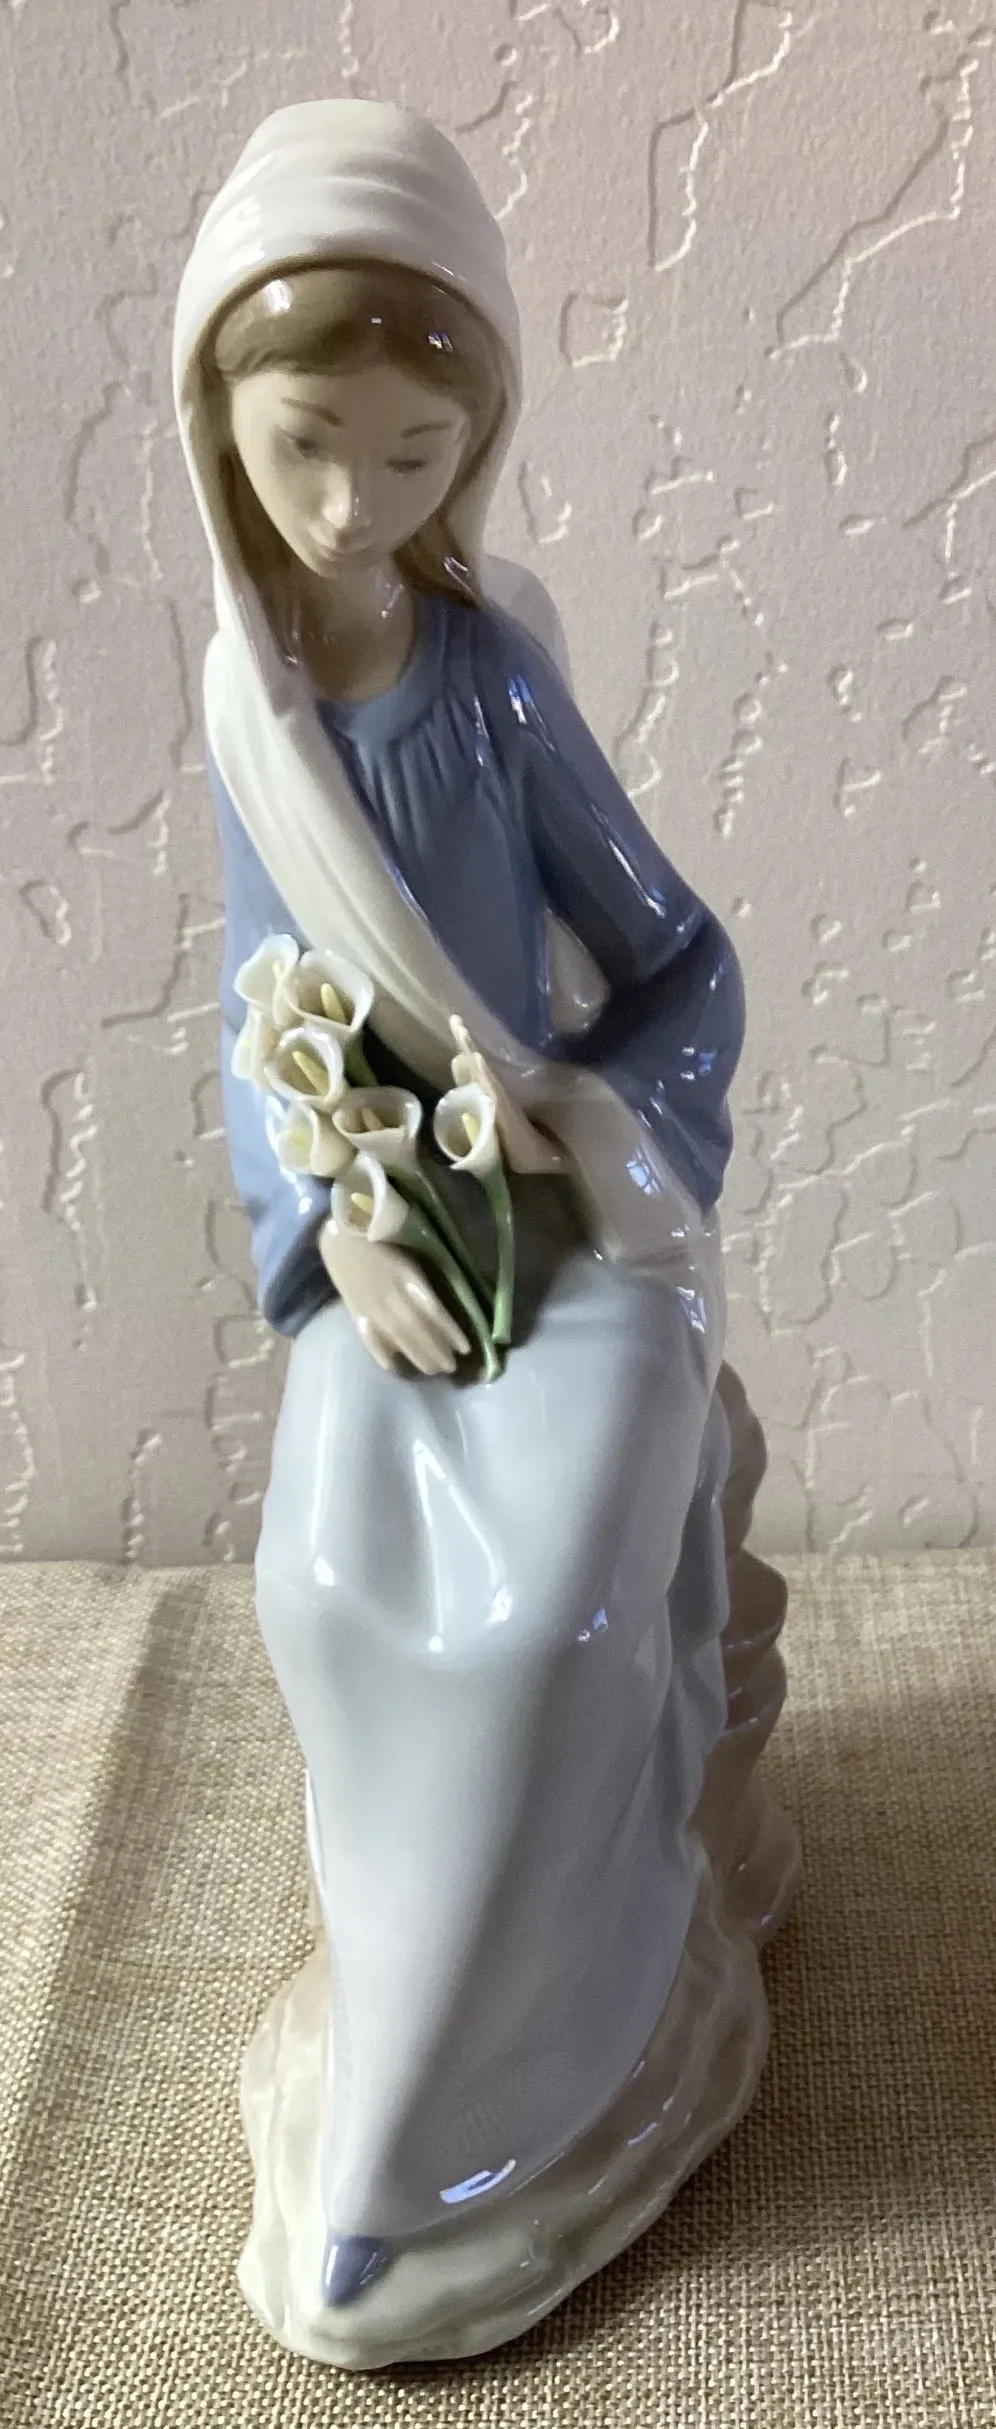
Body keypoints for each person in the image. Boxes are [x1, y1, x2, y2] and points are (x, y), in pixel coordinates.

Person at [172, 97, 798, 2369]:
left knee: (549, 1622)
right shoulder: (254, 716)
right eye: (306, 448)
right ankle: (391, 2118)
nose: (357, 506)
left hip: (571, 1217)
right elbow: (259, 1015)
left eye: (414, 455)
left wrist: (590, 1124)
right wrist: (328, 1230)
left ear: (479, 446)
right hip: (389, 1239)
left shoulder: (496, 680)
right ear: (217, 435)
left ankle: (531, 2081)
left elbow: (680, 960)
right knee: (331, 1586)